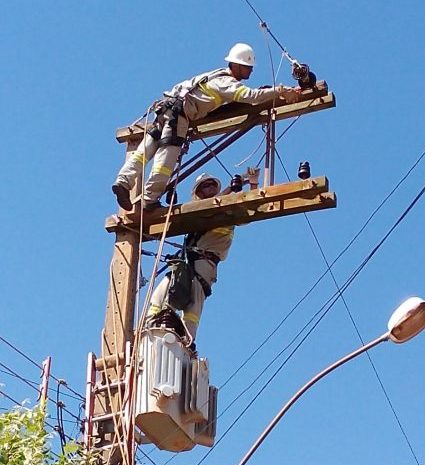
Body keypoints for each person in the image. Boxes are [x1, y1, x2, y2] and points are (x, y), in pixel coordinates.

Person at [112, 43, 300, 212]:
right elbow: (252, 97)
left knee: (144, 151)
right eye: (247, 66)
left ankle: (123, 181)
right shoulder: (226, 82)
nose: (251, 71)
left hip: (165, 110)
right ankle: (149, 199)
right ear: (236, 65)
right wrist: (281, 91)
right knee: (165, 161)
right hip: (179, 116)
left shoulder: (214, 75)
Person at [146, 174, 234, 350]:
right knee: (162, 292)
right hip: (188, 260)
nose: (210, 188)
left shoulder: (228, 209)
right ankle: (151, 326)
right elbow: (205, 209)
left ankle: (187, 340)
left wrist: (246, 185)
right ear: (198, 192)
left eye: (212, 185)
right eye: (205, 186)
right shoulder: (195, 211)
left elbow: (218, 208)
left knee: (193, 303)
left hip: (205, 262)